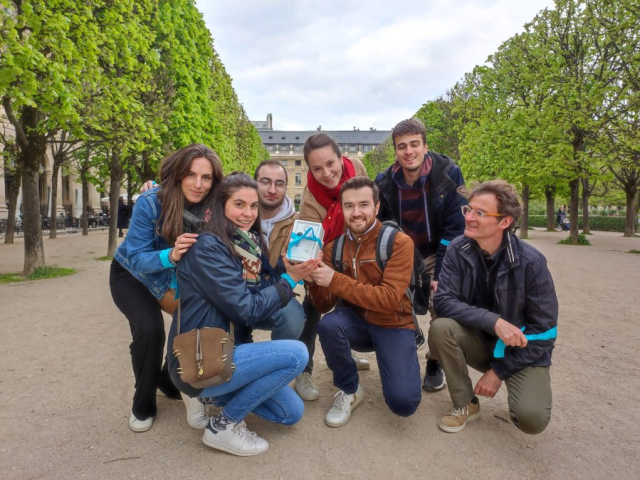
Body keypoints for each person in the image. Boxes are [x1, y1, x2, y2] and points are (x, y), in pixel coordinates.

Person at [168, 173, 318, 456]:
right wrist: (290, 281)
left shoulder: (244, 244)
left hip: (229, 350)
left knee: (291, 412)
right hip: (200, 360)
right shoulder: (209, 248)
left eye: (253, 206)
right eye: (239, 205)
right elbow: (247, 309)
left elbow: (260, 293)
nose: (248, 213)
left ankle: (213, 395)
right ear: (220, 205)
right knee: (297, 354)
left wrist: (286, 270)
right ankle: (223, 425)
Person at [110, 144, 223, 433]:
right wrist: (170, 255)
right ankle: (142, 402)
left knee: (195, 322)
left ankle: (166, 379)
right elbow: (135, 255)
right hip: (131, 274)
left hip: (169, 279)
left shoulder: (213, 208)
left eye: (206, 177)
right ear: (178, 173)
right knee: (150, 330)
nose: (198, 184)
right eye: (191, 174)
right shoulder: (151, 201)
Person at [430, 180, 557, 434]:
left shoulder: (531, 262)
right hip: (481, 340)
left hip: (521, 350)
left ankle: (521, 383)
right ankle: (466, 403)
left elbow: (545, 331)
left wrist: (498, 372)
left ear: (505, 222)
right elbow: (443, 302)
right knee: (441, 328)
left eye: (481, 213)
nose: (470, 218)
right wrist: (493, 322)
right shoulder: (458, 248)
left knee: (531, 420)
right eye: (469, 210)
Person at [308, 177, 422, 427]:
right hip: (357, 323)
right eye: (349, 206)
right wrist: (311, 277)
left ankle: (395, 354)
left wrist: (334, 279)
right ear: (342, 209)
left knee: (403, 404)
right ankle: (349, 389)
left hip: (394, 323)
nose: (356, 212)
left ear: (377, 207)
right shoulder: (333, 248)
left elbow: (389, 298)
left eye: (363, 205)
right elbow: (324, 306)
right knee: (329, 325)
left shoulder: (399, 242)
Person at [374, 119, 467, 392]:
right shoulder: (384, 182)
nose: (408, 151)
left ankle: (434, 360)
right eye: (402, 146)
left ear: (425, 146)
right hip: (404, 252)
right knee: (394, 299)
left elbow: (454, 228)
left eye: (414, 144)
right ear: (396, 152)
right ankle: (406, 351)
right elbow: (382, 229)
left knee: (444, 306)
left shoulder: (449, 173)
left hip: (440, 249)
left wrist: (439, 274)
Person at [296, 132, 370, 402]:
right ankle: (304, 370)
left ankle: (344, 353)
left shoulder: (358, 170)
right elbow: (309, 245)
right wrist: (318, 274)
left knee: (351, 302)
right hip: (325, 251)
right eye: (317, 168)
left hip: (356, 247)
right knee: (314, 306)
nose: (326, 173)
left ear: (341, 158)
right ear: (309, 169)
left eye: (330, 164)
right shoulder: (309, 199)